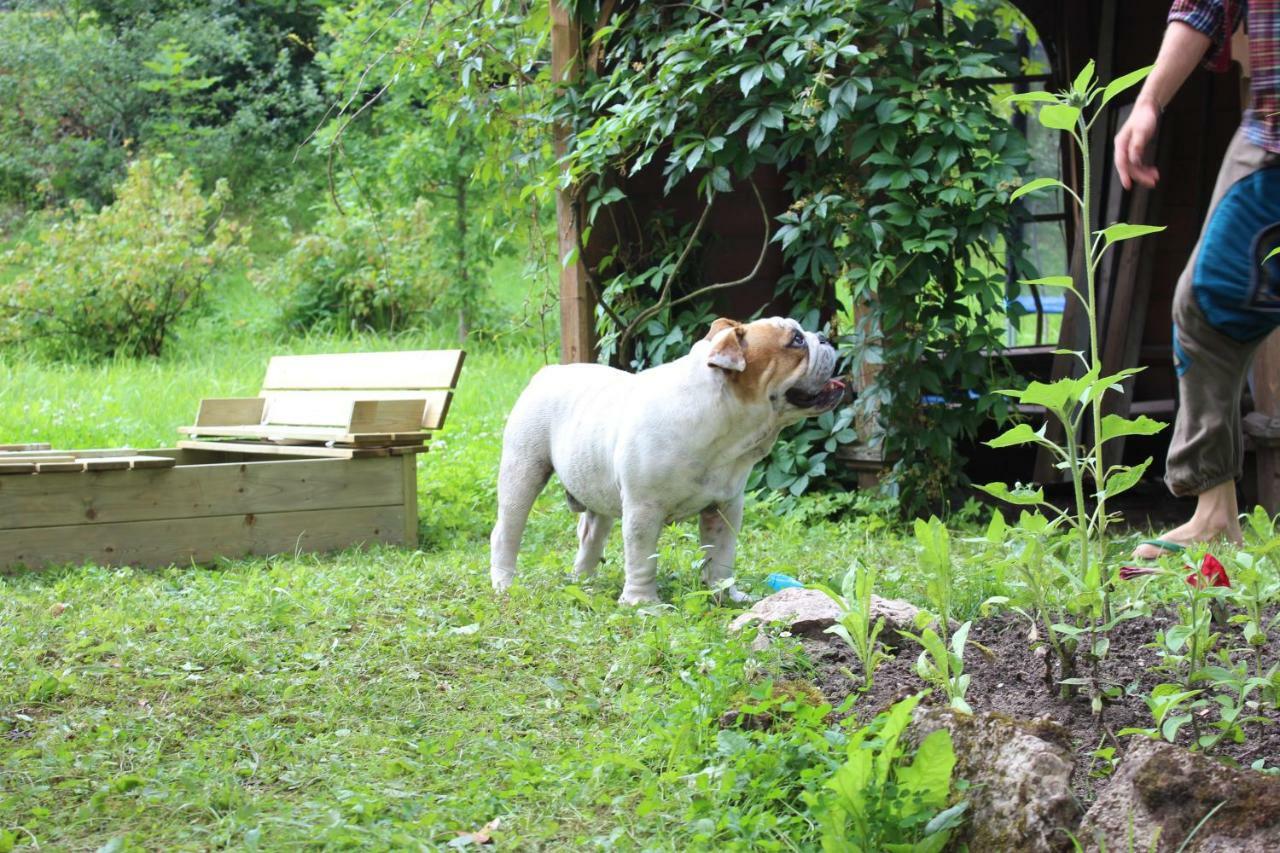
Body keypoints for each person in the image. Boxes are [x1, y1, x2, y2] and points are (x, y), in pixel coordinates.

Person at [1116, 0, 1280, 560]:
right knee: (1207, 306)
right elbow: (1205, 6)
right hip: (1271, 134)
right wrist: (1148, 102)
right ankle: (1214, 516)